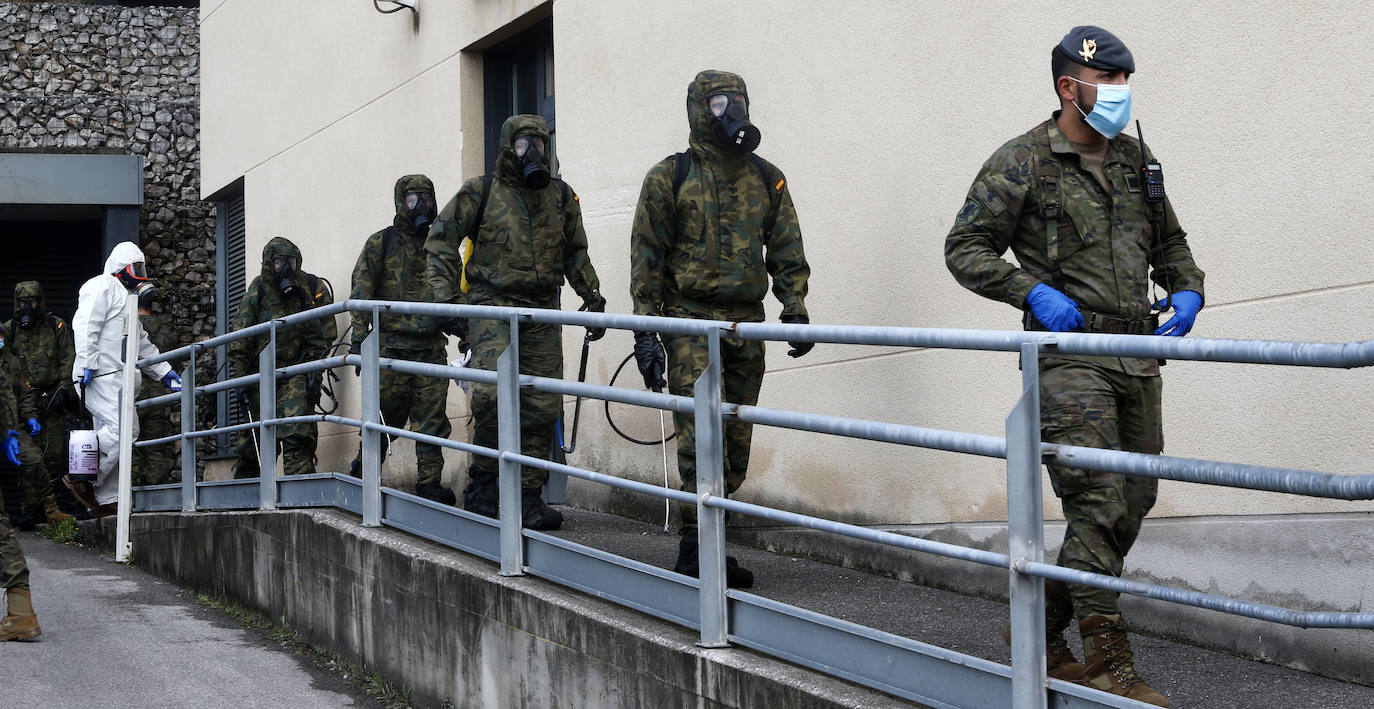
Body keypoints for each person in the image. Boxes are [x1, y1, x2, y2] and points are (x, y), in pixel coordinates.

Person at [944, 26, 1205, 706]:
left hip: (1138, 357)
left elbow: (1171, 243)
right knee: (1098, 500)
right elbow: (965, 247)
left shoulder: (1137, 159)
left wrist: (1187, 287)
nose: (1121, 92)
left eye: (1124, 81)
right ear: (1070, 86)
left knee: (1134, 502)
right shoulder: (1023, 161)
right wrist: (1030, 291)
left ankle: (1036, 624)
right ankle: (1110, 664)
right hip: (1069, 359)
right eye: (1108, 81)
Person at [629, 70, 813, 588]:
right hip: (689, 321)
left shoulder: (767, 177)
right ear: (697, 109)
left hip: (745, 325)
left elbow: (786, 247)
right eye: (717, 103)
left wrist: (794, 308)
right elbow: (647, 256)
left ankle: (712, 537)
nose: (729, 111)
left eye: (736, 101)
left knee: (735, 434)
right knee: (700, 435)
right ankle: (699, 545)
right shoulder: (670, 176)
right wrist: (645, 331)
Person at [426, 114, 606, 530]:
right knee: (492, 399)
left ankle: (528, 496)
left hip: (542, 311)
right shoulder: (481, 191)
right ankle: (484, 488)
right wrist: (449, 302)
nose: (533, 154)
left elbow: (575, 252)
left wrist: (592, 296)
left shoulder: (561, 196)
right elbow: (439, 242)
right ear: (509, 148)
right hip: (492, 307)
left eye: (540, 145)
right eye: (524, 145)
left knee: (543, 405)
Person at [348, 175, 457, 505]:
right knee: (384, 418)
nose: (420, 206)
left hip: (430, 348)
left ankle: (429, 483)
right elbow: (361, 291)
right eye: (412, 200)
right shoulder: (382, 243)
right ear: (400, 203)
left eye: (426, 199)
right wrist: (359, 338)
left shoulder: (440, 246)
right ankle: (363, 472)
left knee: (432, 420)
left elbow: (454, 294)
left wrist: (467, 335)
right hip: (390, 349)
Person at [71, 242, 181, 515]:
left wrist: (164, 372)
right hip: (99, 375)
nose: (139, 274)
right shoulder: (102, 286)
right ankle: (81, 474)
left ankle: (106, 499)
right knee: (123, 431)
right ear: (120, 269)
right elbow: (86, 324)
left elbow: (140, 343)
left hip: (116, 379)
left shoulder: (127, 300)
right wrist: (87, 362)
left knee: (111, 431)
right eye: (135, 268)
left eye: (142, 268)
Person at [229, 238, 336, 479]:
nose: (286, 268)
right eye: (279, 262)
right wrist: (240, 378)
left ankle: (300, 490)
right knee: (254, 441)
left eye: (291, 262)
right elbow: (241, 335)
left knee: (297, 431)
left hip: (298, 370)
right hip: (260, 374)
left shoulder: (312, 287)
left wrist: (314, 373)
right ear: (269, 264)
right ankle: (246, 491)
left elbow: (324, 333)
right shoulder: (259, 289)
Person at [4, 281, 75, 524]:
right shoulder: (10, 330)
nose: (27, 307)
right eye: (23, 302)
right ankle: (31, 507)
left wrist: (64, 388)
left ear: (40, 301)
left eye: (32, 302)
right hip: (24, 402)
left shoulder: (55, 326)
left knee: (53, 453)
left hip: (51, 397)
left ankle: (51, 508)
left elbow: (67, 358)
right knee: (29, 456)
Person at [1, 323, 40, 641]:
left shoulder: (10, 362)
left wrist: (10, 431)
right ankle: (20, 615)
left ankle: (21, 616)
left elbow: (9, 393)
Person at [132, 285, 181, 486]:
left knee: (130, 446)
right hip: (157, 398)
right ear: (152, 305)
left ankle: (130, 492)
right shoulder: (166, 333)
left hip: (134, 395)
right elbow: (174, 364)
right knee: (155, 450)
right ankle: (155, 491)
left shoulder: (128, 327)